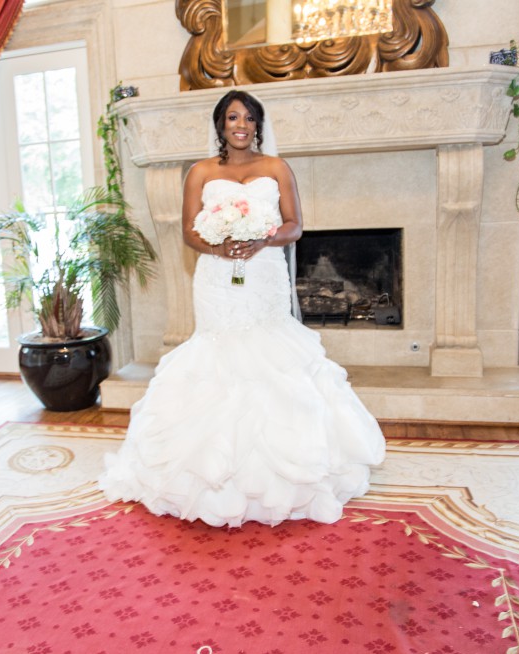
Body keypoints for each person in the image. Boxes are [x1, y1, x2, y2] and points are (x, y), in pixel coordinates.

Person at [98, 90, 386, 528]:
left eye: (249, 118)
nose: (241, 125)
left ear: (258, 126)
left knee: (271, 351)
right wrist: (219, 245)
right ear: (220, 124)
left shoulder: (276, 168)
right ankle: (206, 471)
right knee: (218, 353)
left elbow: (295, 226)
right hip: (217, 278)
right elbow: (189, 232)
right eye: (233, 117)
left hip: (264, 273)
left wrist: (262, 238)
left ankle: (289, 470)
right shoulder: (200, 172)